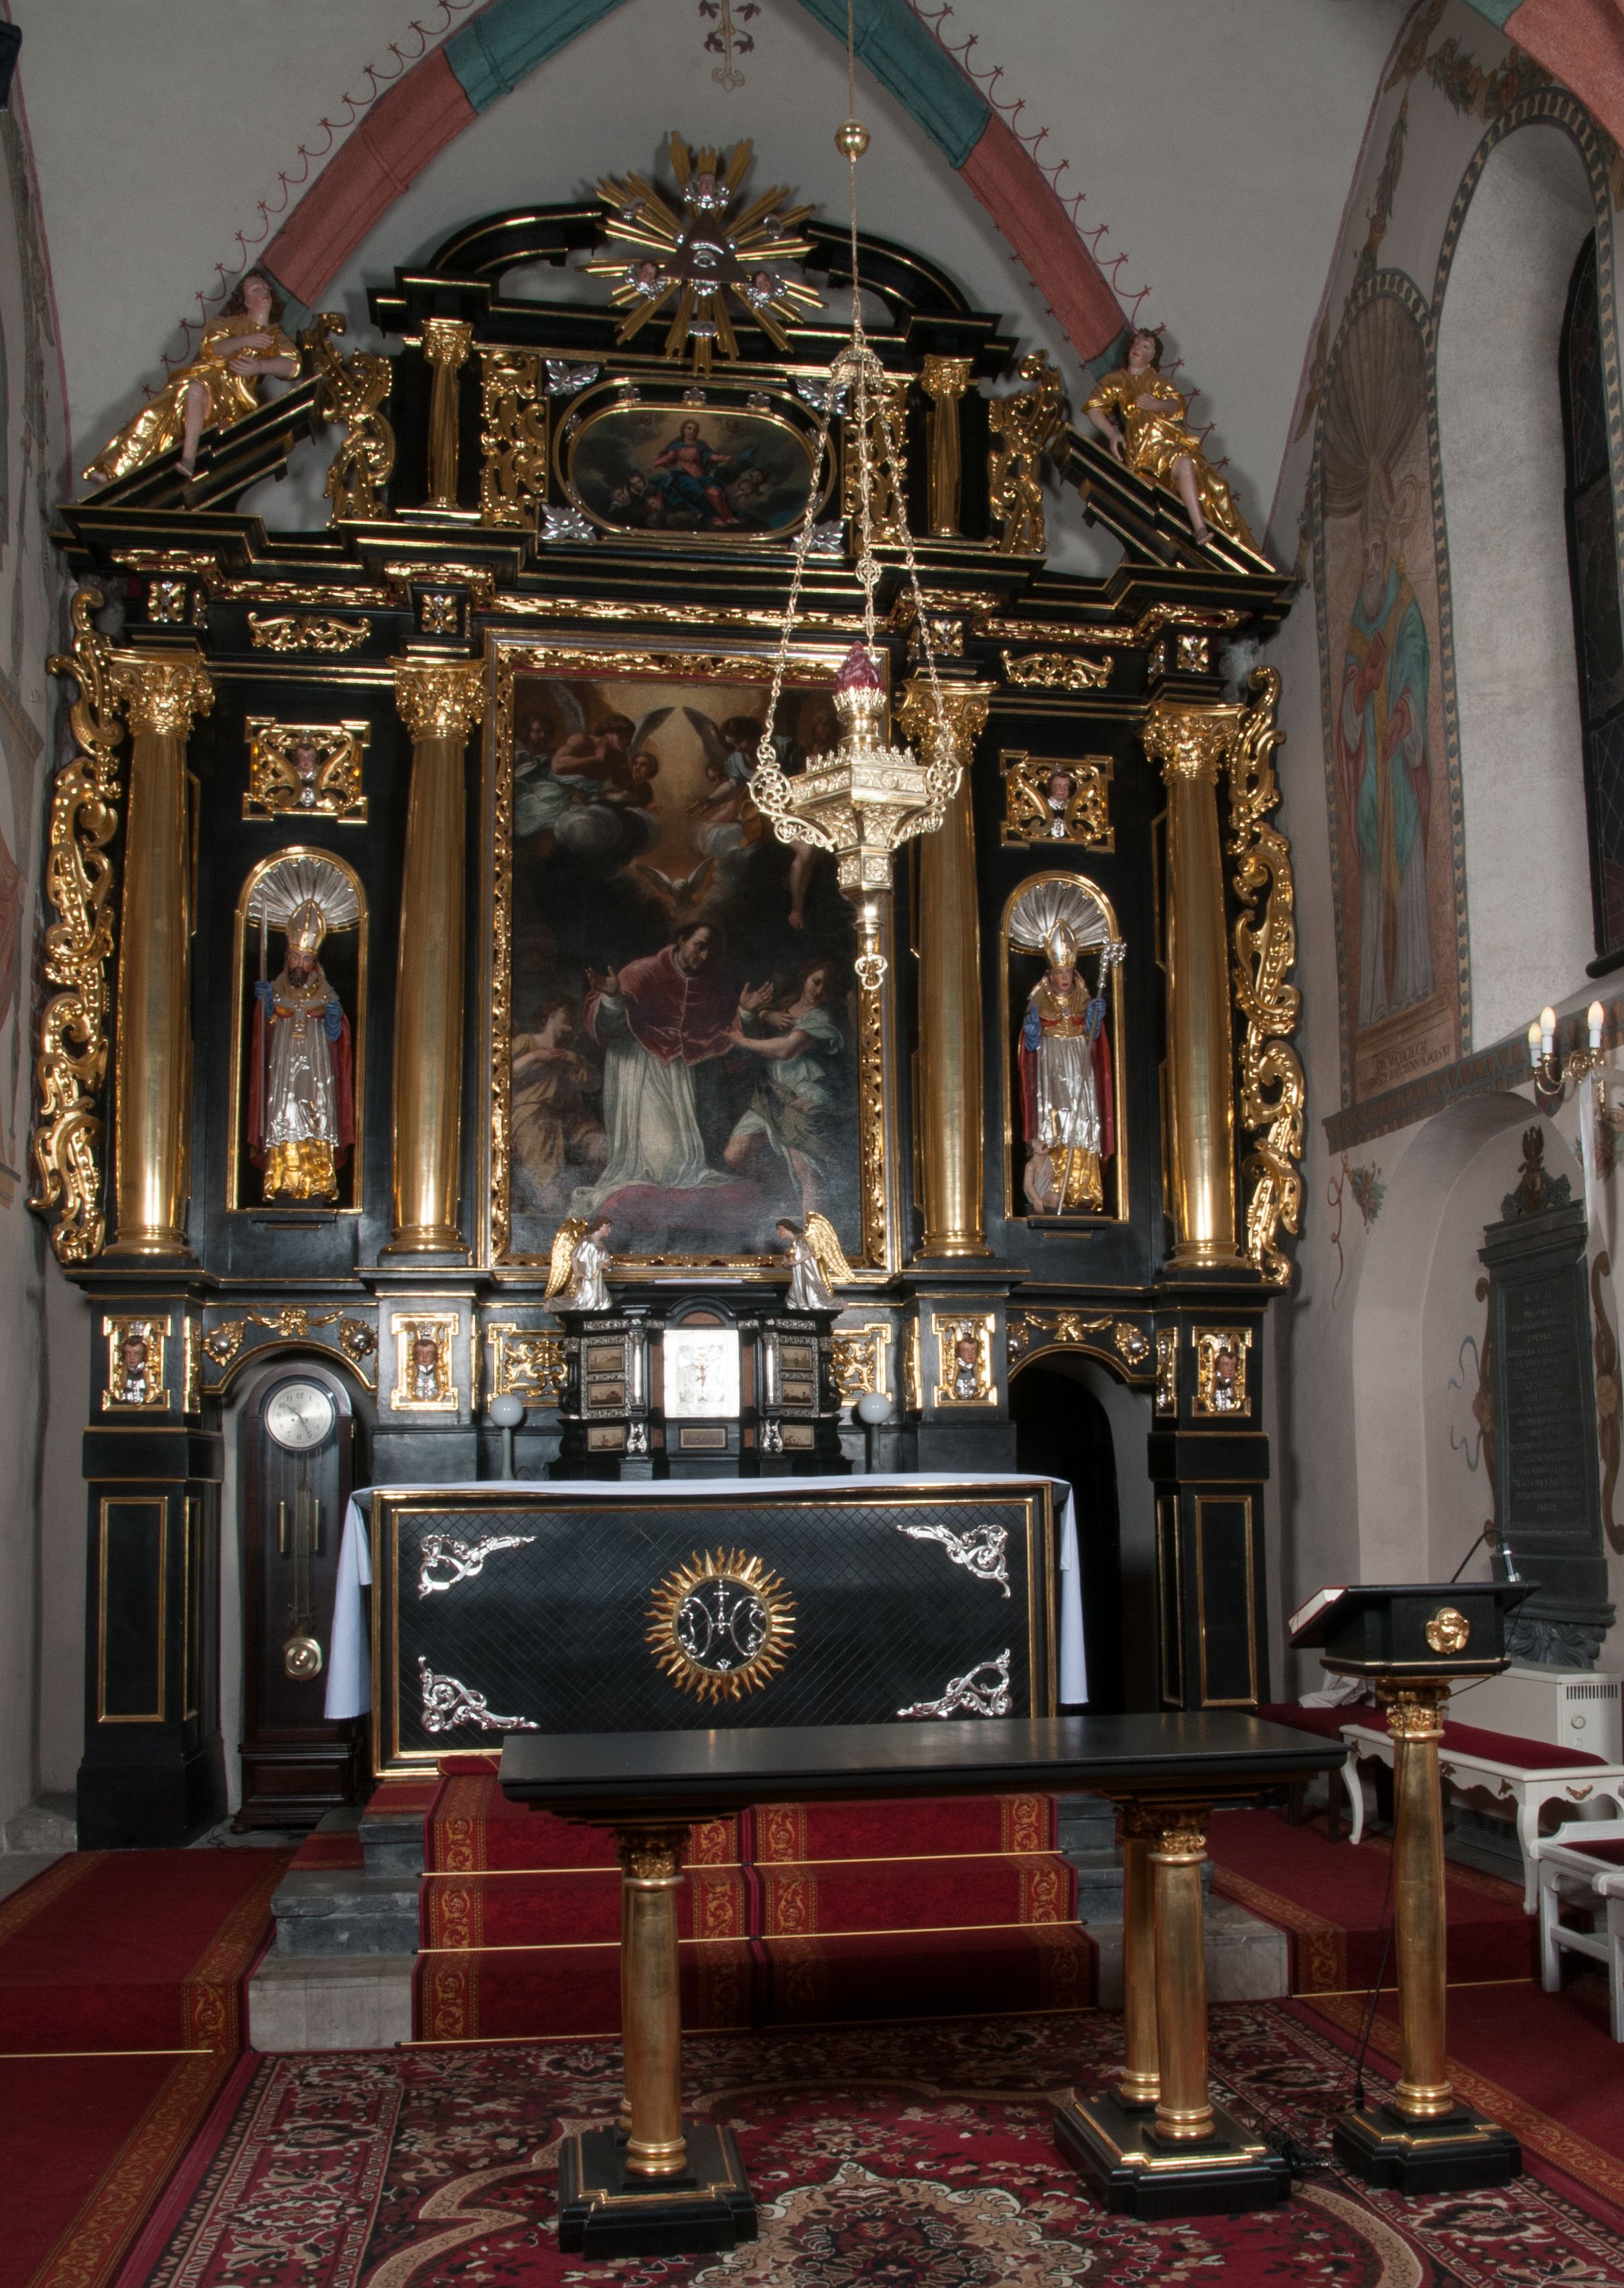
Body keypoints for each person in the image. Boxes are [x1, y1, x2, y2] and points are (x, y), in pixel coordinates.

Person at [574, 921, 771, 1210]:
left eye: (711, 952)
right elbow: (609, 1029)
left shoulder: (715, 990)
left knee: (683, 1163)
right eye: (699, 946)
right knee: (662, 1160)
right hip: (639, 1067)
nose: (704, 956)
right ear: (681, 941)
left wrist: (747, 1014)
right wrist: (613, 999)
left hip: (681, 1078)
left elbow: (737, 1048)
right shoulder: (642, 973)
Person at [83, 272, 299, 487]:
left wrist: (260, 366)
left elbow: (293, 365)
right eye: (256, 290)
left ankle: (188, 458)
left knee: (193, 390)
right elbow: (213, 348)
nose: (264, 292)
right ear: (246, 302)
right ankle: (113, 470)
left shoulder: (275, 335)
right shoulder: (227, 324)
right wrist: (245, 340)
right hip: (205, 382)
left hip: (233, 400)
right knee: (153, 414)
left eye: (266, 288)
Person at [1085, 329, 1255, 549]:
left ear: (1152, 357)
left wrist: (1157, 405)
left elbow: (1176, 406)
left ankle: (1201, 529)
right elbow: (1094, 408)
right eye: (1136, 343)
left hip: (1167, 445)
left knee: (1208, 479)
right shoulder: (1115, 380)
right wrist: (1112, 433)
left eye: (1145, 346)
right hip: (1141, 452)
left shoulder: (1158, 380)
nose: (1137, 348)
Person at [249, 897, 354, 1202]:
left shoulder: (326, 994)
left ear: (314, 963)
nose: (299, 964)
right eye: (295, 957)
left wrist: (334, 1021)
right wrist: (266, 1007)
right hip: (284, 1065)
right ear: (287, 957)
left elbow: (338, 1037)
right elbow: (263, 1032)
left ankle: (319, 1180)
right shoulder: (276, 989)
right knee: (284, 1112)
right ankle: (281, 1179)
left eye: (306, 959)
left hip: (317, 1064)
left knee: (316, 1113)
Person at [724, 960, 847, 1217]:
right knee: (736, 1153)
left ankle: (812, 1233)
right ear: (805, 978)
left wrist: (744, 1041)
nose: (819, 990)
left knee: (805, 1168)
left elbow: (786, 1050)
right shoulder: (781, 1008)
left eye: (826, 988)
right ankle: (788, 1195)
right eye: (816, 981)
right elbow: (757, 1029)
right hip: (771, 1096)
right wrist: (753, 1012)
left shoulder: (820, 1018)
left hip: (803, 1096)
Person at [1019, 925, 1112, 1215]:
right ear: (1050, 974)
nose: (1064, 978)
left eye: (1068, 972)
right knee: (1056, 1120)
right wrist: (1032, 1034)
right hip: (1052, 1060)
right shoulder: (1039, 997)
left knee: (1083, 1119)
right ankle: (1054, 1190)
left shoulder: (1084, 994)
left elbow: (1093, 1035)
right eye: (1059, 973)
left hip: (1079, 1060)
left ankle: (1083, 1190)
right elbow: (1030, 1039)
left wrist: (1094, 1020)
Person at [511, 998, 606, 1213]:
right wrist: (537, 1056)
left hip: (569, 1116)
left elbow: (594, 1084)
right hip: (533, 1114)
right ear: (551, 1013)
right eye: (567, 1013)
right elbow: (501, 1071)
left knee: (602, 1146)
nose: (571, 1019)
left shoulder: (570, 1052)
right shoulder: (526, 1042)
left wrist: (576, 1061)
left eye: (574, 1016)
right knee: (550, 1191)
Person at [649, 419, 740, 526]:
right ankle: (712, 518)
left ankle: (727, 517)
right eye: (689, 428)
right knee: (696, 492)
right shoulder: (677, 446)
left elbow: (711, 456)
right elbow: (668, 458)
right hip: (683, 478)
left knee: (715, 493)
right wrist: (655, 465)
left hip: (702, 478)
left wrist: (724, 458)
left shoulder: (700, 447)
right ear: (683, 430)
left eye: (695, 430)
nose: (691, 432)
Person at [777, 1218, 836, 1311]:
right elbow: (792, 1262)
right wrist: (787, 1263)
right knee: (792, 1300)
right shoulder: (792, 1243)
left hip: (807, 1274)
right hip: (799, 1275)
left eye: (780, 1230)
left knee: (811, 1297)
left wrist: (796, 1262)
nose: (778, 1233)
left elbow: (812, 1252)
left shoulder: (801, 1239)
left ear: (787, 1229)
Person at [561, 1217, 614, 1312]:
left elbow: (608, 1261)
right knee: (586, 1303)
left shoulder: (601, 1245)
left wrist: (605, 1265)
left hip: (598, 1282)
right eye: (607, 1227)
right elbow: (574, 1256)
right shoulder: (586, 1242)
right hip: (586, 1281)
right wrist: (576, 1272)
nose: (610, 1231)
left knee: (606, 1302)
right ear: (600, 1227)